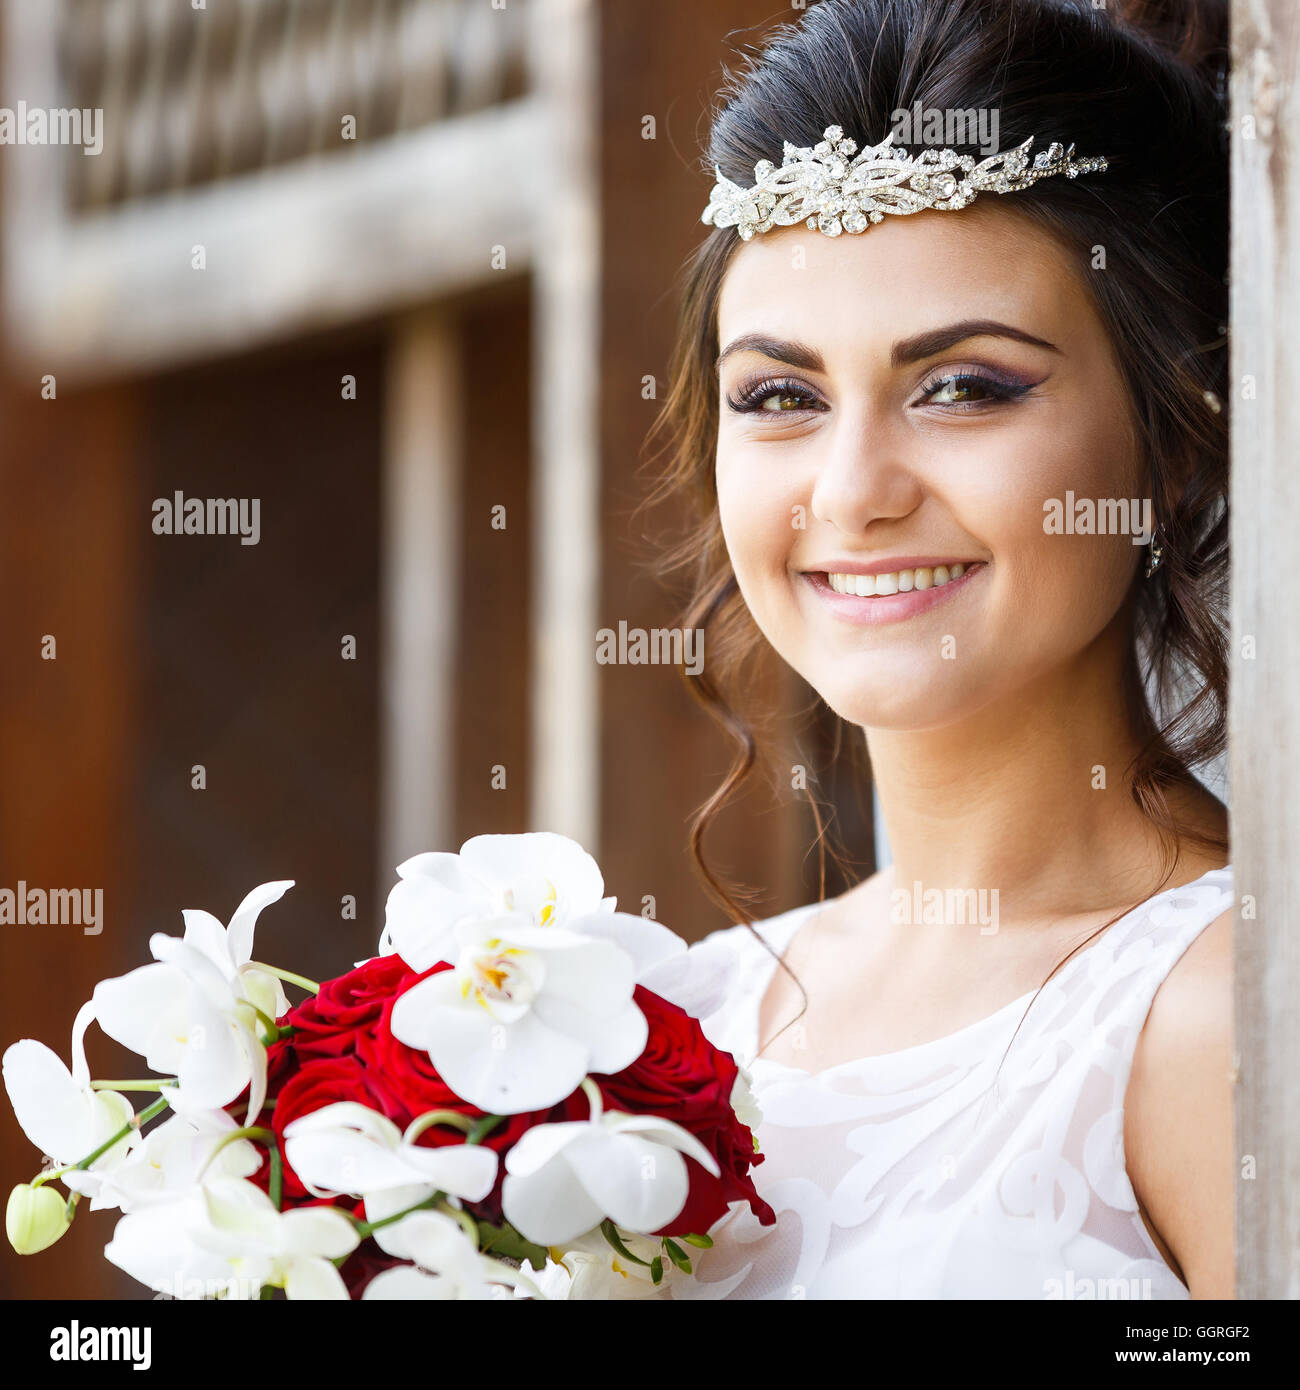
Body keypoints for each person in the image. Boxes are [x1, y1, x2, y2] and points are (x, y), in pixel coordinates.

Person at [652, 0, 1233, 1299]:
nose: (853, 491)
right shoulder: (669, 1018)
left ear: (1176, 436)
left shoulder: (1227, 1018)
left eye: (965, 385)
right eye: (782, 398)